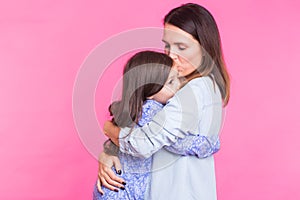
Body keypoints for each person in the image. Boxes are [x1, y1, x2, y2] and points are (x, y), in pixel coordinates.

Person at [100, 3, 230, 200]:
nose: (171, 55)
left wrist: (109, 129)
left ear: (204, 47)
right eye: (167, 45)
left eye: (182, 47)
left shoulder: (193, 92)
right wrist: (107, 154)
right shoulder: (196, 86)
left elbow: (143, 144)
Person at [93, 50, 220, 199]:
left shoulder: (135, 109)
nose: (178, 86)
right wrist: (209, 144)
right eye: (171, 82)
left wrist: (108, 136)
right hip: (120, 191)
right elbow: (178, 143)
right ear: (151, 91)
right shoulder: (151, 110)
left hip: (116, 189)